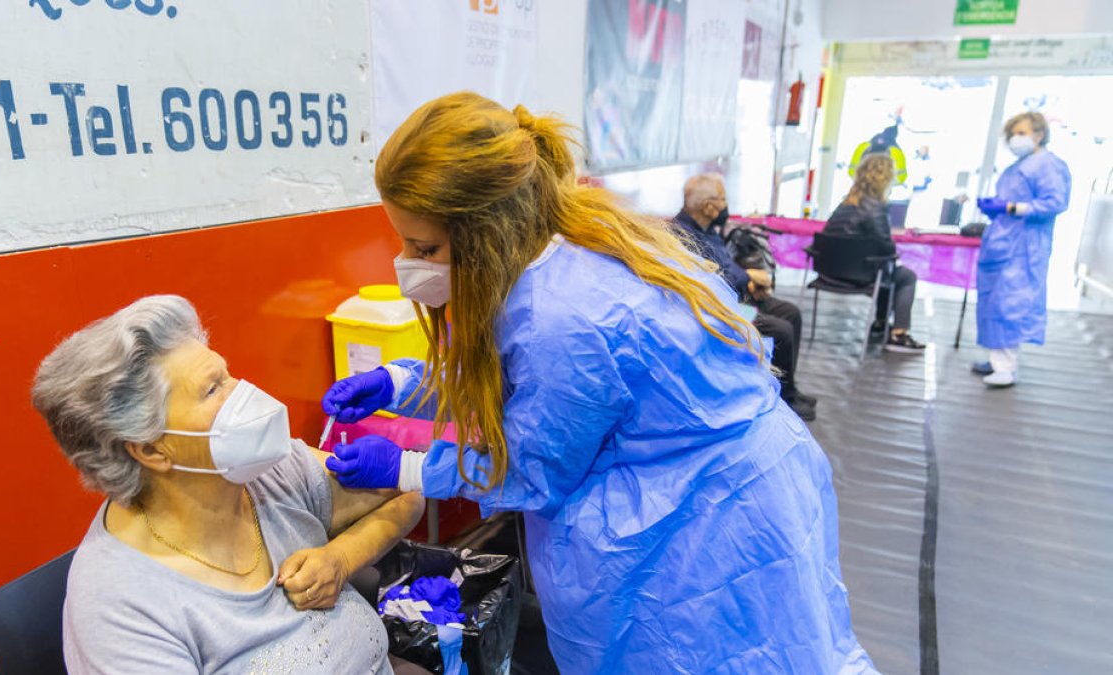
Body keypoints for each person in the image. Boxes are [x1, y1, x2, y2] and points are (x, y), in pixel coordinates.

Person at [321, 92, 876, 674]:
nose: (408, 263)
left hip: (704, 530)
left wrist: (407, 466)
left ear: (486, 230)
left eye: (424, 247)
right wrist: (399, 382)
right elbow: (524, 382)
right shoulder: (561, 247)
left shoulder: (564, 317)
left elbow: (533, 462)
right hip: (720, 486)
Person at [31, 295, 428, 674]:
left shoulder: (272, 473)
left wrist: (341, 559)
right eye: (212, 389)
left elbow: (405, 490)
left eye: (227, 374)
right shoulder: (121, 608)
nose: (244, 393)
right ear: (152, 450)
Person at [672, 173, 817, 421]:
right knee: (781, 330)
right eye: (723, 200)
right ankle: (782, 399)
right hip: (716, 308)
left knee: (790, 313)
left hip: (737, 294)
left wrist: (748, 281)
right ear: (708, 207)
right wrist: (748, 277)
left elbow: (727, 267)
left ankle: (788, 388)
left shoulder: (708, 230)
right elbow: (710, 281)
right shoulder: (684, 237)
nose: (726, 206)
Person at [972, 111, 1071, 387]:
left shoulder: (1048, 166)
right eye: (1013, 134)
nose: (1016, 139)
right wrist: (997, 206)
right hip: (1003, 244)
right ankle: (996, 358)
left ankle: (1005, 367)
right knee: (993, 301)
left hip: (1024, 247)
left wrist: (1011, 207)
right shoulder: (1019, 166)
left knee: (1010, 303)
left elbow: (1054, 203)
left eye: (1022, 133)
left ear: (1039, 134)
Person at [824, 152, 927, 353]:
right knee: (904, 276)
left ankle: (880, 323)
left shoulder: (845, 204)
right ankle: (898, 333)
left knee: (885, 269)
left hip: (828, 271)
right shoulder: (876, 208)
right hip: (859, 275)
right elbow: (886, 247)